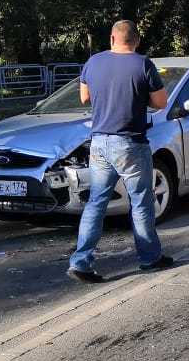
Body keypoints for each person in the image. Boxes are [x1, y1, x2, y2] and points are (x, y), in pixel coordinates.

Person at [67, 20, 173, 283]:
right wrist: (140, 96)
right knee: (141, 201)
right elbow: (161, 103)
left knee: (96, 203)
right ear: (136, 41)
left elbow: (84, 97)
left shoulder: (93, 62)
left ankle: (81, 262)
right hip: (130, 143)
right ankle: (149, 258)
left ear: (112, 38)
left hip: (99, 141)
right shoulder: (143, 64)